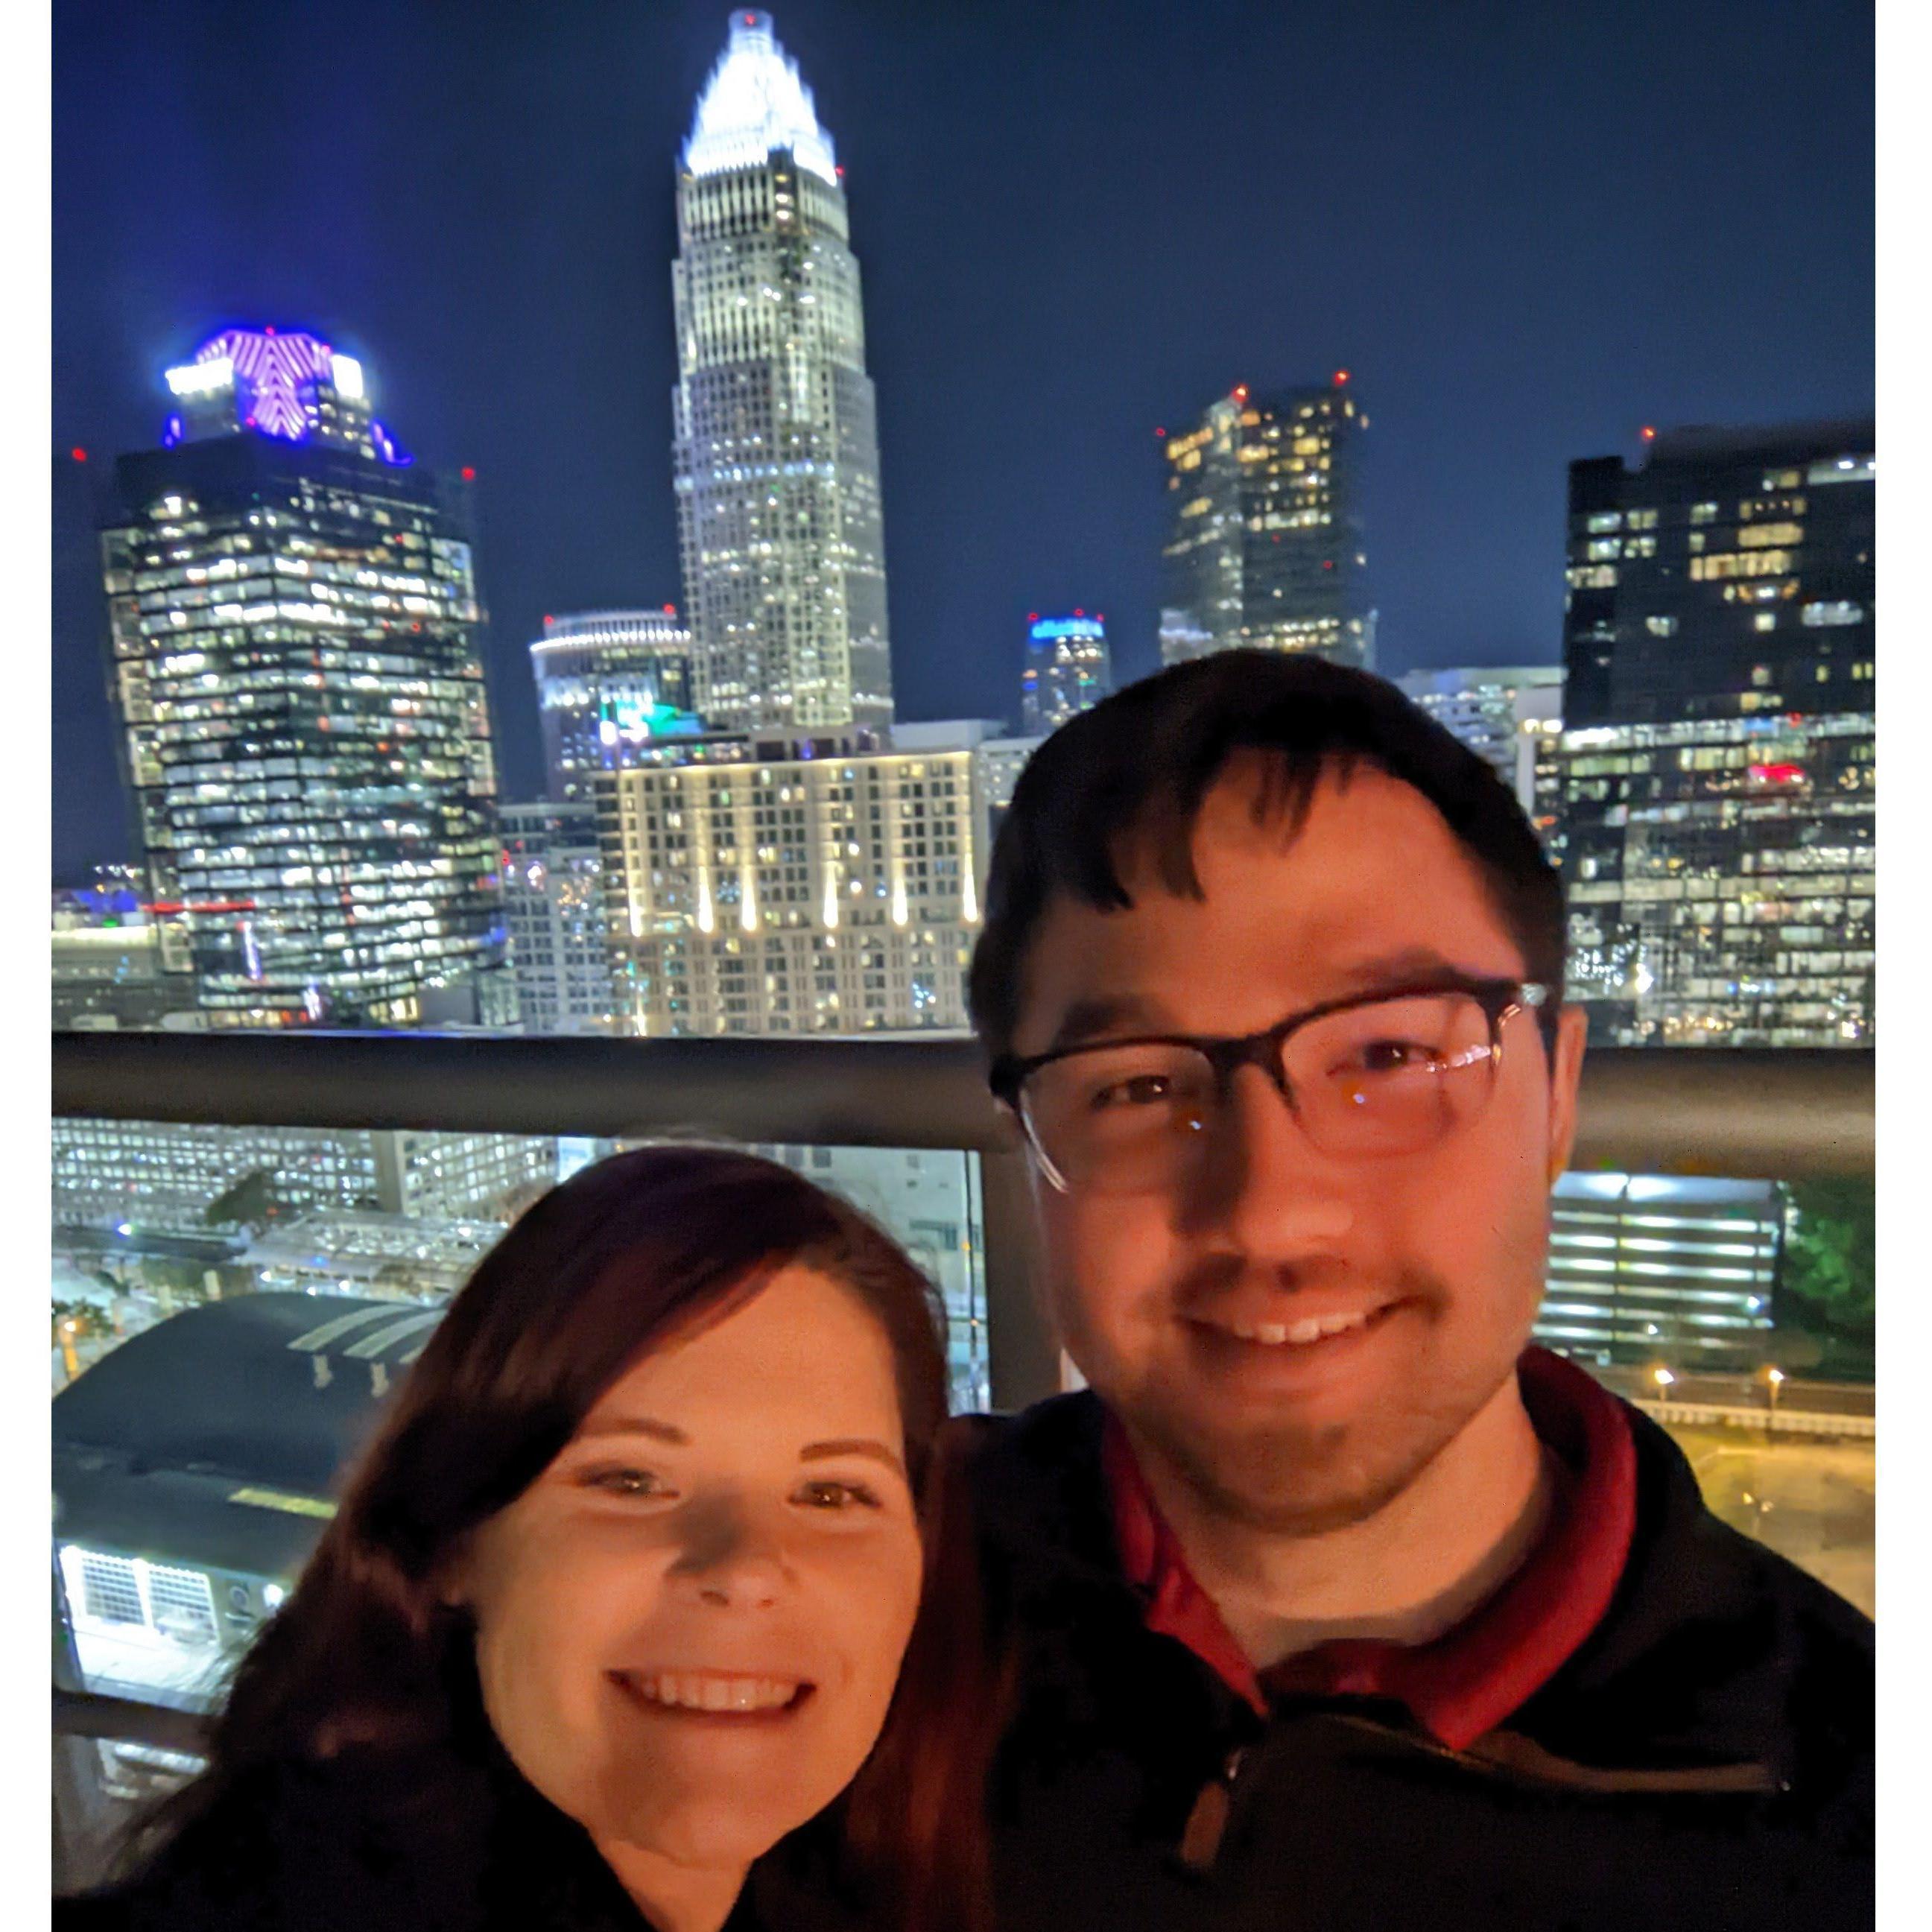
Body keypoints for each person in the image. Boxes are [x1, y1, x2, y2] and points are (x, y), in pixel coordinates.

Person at [955, 650, 1873, 1931]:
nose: (1268, 1208)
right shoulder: (848, 1630)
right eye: (1138, 1084)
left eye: (1386, 1053)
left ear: (1554, 1090)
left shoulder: (1848, 1804)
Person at [57, 1144, 981, 1932]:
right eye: (630, 1480)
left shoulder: (919, 1865)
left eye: (829, 1491)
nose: (744, 1568)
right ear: (457, 1536)